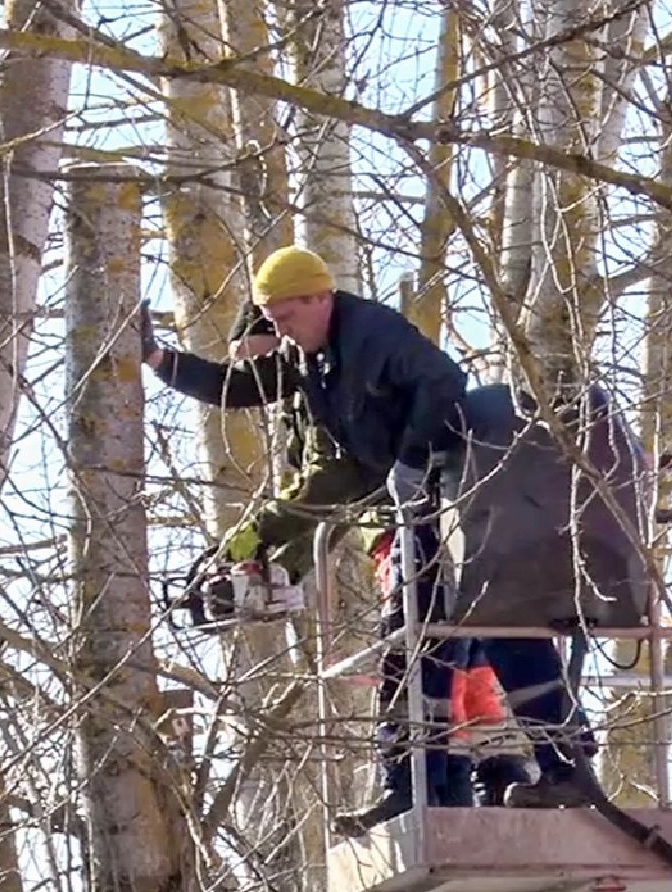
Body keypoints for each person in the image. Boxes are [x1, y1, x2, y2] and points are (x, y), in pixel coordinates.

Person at [139, 245, 599, 831]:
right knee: (416, 648)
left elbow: (441, 381)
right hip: (420, 514)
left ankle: (561, 769)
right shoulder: (313, 359)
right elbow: (240, 387)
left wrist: (410, 460)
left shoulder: (371, 336)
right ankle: (415, 786)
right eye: (272, 322)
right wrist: (158, 358)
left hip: (461, 505)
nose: (280, 332)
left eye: (285, 318)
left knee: (495, 633)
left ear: (319, 298)